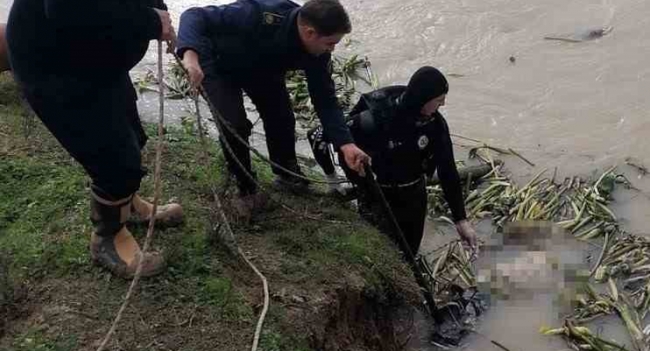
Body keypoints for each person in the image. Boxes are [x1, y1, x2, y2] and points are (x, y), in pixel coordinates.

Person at [6, 0, 183, 278]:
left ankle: (128, 206)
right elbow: (70, 9)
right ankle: (108, 238)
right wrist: (149, 20)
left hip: (95, 57)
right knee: (114, 158)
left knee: (132, 134)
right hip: (55, 66)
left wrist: (159, 13)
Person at [176, 0, 370, 218]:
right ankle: (245, 188)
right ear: (309, 32)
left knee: (282, 118)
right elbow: (194, 16)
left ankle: (286, 174)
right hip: (216, 63)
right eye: (330, 43)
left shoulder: (317, 52)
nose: (332, 49)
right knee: (234, 124)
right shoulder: (259, 13)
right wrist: (190, 56)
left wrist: (346, 144)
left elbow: (325, 100)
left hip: (262, 69)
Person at [308, 66, 478, 255]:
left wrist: (461, 220)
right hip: (376, 196)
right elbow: (317, 136)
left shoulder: (434, 125)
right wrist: (332, 178)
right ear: (422, 99)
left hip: (414, 194)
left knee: (410, 251)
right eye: (439, 99)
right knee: (378, 250)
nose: (444, 104)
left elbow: (448, 171)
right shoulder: (372, 121)